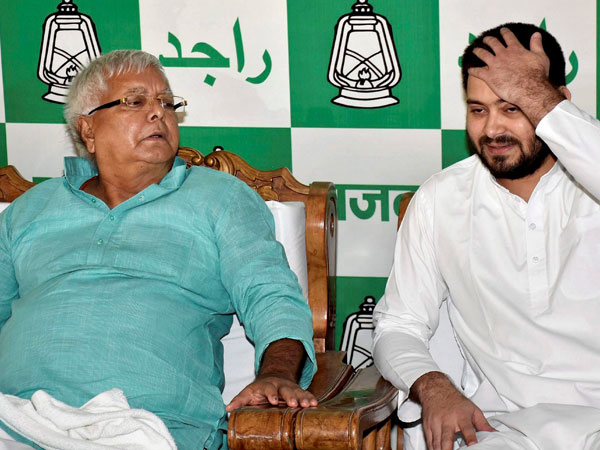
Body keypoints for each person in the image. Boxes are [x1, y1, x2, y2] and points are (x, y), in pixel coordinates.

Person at [0, 49, 317, 449]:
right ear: (88, 130)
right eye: (135, 102)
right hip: (16, 417)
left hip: (154, 425)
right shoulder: (30, 209)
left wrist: (277, 374)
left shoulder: (221, 198)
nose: (158, 113)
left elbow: (271, 296)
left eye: (167, 103)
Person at [373, 22, 600, 450]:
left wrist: (536, 95)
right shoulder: (441, 199)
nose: (492, 130)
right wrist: (434, 386)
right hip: (504, 431)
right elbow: (398, 324)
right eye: (478, 110)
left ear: (557, 103)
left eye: (513, 108)